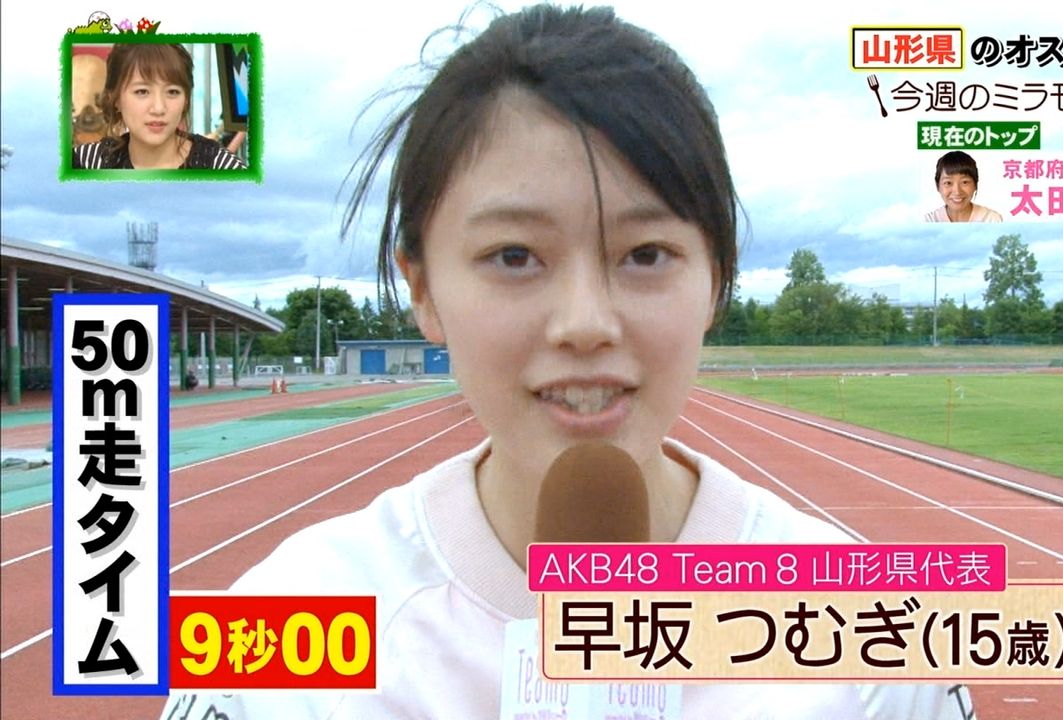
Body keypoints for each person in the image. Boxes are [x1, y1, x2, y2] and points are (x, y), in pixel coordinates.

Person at [161, 6, 974, 718]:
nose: (586, 324)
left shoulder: (876, 633)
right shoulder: (287, 620)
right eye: (514, 256)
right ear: (424, 288)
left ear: (717, 280)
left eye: (646, 254)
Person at [71, 44, 247, 170]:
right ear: (115, 99)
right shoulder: (86, 162)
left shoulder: (220, 166)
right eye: (142, 91)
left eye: (172, 92)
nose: (158, 108)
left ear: (186, 100)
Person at [924, 150, 1002, 223]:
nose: (957, 192)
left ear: (975, 184)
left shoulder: (991, 219)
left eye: (964, 182)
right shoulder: (929, 221)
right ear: (937, 186)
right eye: (948, 183)